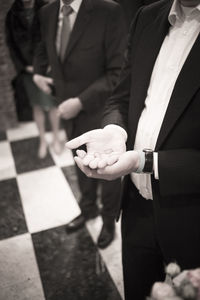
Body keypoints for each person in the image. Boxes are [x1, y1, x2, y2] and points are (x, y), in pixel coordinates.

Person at [66, 0, 200, 299]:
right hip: (137, 205)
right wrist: (115, 129)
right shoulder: (148, 15)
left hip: (192, 216)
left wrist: (144, 161)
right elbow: (122, 95)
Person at [33, 0, 127, 248]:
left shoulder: (108, 11)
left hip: (101, 108)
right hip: (65, 106)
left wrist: (80, 102)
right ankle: (88, 209)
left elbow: (117, 71)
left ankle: (108, 221)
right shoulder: (47, 11)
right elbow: (44, 45)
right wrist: (38, 71)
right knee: (78, 159)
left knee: (106, 169)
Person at [6, 0, 62, 159]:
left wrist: (51, 63)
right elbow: (11, 44)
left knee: (52, 105)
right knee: (37, 106)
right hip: (27, 69)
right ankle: (43, 140)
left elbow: (56, 37)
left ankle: (56, 138)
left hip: (47, 67)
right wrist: (23, 66)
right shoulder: (12, 14)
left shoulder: (47, 8)